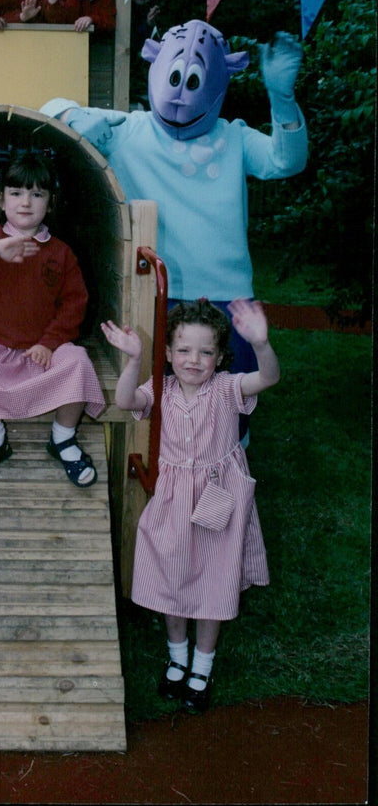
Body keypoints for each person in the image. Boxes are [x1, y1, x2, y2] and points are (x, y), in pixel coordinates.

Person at [42, 20, 306, 439]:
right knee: (160, 409)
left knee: (228, 410)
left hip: (225, 295)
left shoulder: (233, 137)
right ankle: (171, 474)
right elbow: (48, 109)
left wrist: (283, 100)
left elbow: (285, 161)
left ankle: (228, 470)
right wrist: (72, 116)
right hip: (156, 293)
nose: (182, 94)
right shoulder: (128, 129)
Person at [101, 298, 279, 713]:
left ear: (220, 357)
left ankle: (202, 666)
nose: (193, 360)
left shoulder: (227, 389)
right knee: (172, 576)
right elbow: (125, 401)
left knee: (214, 580)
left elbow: (268, 377)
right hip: (174, 499)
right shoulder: (159, 389)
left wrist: (261, 344)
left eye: (205, 352)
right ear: (167, 353)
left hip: (219, 497)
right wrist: (133, 360)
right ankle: (177, 658)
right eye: (183, 350)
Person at [0, 152, 105, 488]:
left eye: (37, 194)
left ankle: (63, 437)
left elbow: (75, 304)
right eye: (16, 193)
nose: (26, 202)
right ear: (1, 200)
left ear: (50, 203)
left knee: (78, 360)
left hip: (43, 353)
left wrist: (49, 342)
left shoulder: (60, 252)